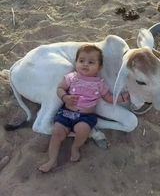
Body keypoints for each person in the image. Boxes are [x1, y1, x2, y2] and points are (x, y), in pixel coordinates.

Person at [39, 44, 129, 173]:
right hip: (66, 112)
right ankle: (52, 160)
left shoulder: (99, 83)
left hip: (85, 117)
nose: (85, 64)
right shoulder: (71, 77)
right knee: (57, 133)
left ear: (99, 67)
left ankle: (75, 147)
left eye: (91, 62)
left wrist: (122, 98)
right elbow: (60, 88)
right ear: (76, 63)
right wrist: (65, 97)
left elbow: (108, 98)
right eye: (81, 61)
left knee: (83, 130)